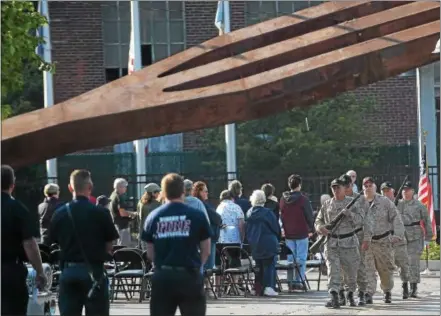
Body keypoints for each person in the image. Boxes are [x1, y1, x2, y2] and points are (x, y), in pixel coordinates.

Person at [49, 169, 119, 316]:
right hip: (94, 272)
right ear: (90, 188)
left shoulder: (59, 213)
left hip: (68, 271)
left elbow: (52, 241)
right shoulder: (101, 213)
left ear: (70, 187)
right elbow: (109, 244)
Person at [141, 173, 212, 316]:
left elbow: (149, 252)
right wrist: (199, 266)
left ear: (163, 192)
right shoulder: (196, 215)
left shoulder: (153, 217)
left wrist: (161, 265)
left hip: (164, 275)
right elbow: (207, 249)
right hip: (190, 274)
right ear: (183, 191)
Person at [1, 165, 47, 316]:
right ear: (12, 185)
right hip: (10, 271)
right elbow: (29, 243)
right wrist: (40, 271)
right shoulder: (17, 208)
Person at [315, 178, 365, 308]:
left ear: (344, 188)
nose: (336, 190)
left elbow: (360, 220)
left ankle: (349, 294)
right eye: (333, 188)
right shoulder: (327, 204)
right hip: (332, 243)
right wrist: (320, 228)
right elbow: (318, 220)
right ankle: (334, 295)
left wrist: (349, 214)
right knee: (333, 271)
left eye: (338, 187)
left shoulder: (352, 203)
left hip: (349, 243)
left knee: (351, 273)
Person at [362, 177, 405, 304]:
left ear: (375, 187)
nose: (368, 187)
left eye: (370, 185)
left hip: (383, 241)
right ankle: (368, 293)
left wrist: (398, 234)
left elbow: (396, 218)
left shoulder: (384, 202)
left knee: (385, 270)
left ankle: (387, 291)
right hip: (366, 243)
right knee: (367, 270)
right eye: (365, 185)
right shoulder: (359, 202)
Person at [397, 181, 433, 298]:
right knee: (402, 263)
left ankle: (413, 287)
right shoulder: (397, 204)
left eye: (407, 190)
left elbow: (427, 220)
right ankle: (404, 286)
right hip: (401, 237)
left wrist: (429, 236)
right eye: (403, 190)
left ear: (413, 191)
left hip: (415, 236)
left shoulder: (419, 205)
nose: (405, 192)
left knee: (413, 263)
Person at [338, 174, 369, 306]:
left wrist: (367, 238)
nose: (345, 189)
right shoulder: (338, 198)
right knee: (342, 267)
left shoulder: (361, 199)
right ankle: (345, 294)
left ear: (351, 185)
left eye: (347, 186)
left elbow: (367, 220)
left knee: (360, 266)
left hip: (359, 235)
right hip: (343, 237)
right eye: (342, 186)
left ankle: (361, 293)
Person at [279, 174, 314, 291]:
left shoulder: (283, 199)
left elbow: (282, 215)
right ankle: (299, 281)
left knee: (290, 259)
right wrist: (312, 229)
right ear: (299, 185)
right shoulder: (303, 199)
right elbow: (309, 215)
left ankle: (290, 281)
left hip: (288, 233)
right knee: (301, 258)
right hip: (301, 231)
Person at [246, 190, 281, 297]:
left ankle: (258, 288)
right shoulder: (268, 213)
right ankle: (269, 287)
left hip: (255, 243)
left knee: (258, 266)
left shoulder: (248, 213)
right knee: (269, 265)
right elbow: (276, 228)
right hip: (268, 241)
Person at [380, 181, 410, 299]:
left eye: (388, 191)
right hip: (385, 240)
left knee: (403, 265)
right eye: (384, 191)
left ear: (393, 192)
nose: (386, 193)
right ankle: (387, 292)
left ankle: (405, 285)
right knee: (385, 268)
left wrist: (396, 213)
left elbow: (408, 219)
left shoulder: (402, 204)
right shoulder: (378, 205)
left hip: (399, 239)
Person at [192, 181, 222, 271]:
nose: (207, 193)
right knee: (208, 267)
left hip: (202, 237)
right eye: (205, 191)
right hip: (207, 238)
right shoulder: (201, 204)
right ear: (199, 192)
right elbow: (217, 218)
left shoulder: (199, 203)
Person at [216, 190, 245, 269]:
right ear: (232, 198)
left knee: (222, 263)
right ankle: (235, 280)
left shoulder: (219, 207)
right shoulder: (236, 207)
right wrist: (242, 239)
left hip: (221, 239)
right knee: (235, 265)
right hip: (234, 239)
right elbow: (241, 225)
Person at [109, 178, 136, 246]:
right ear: (119, 187)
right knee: (124, 247)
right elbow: (122, 213)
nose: (125, 189)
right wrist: (133, 214)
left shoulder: (112, 195)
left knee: (119, 245)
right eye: (125, 187)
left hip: (117, 224)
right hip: (122, 225)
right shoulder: (119, 197)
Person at [137, 183, 161, 250]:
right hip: (153, 236)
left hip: (142, 234)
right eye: (158, 192)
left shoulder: (140, 202)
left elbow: (138, 219)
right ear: (153, 193)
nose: (159, 194)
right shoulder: (156, 204)